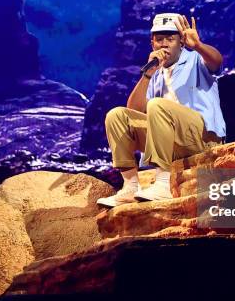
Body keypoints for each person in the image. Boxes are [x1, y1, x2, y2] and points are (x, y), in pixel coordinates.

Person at [97, 13, 226, 208]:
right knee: (117, 115)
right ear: (152, 43)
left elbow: (217, 61)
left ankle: (163, 183)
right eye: (159, 39)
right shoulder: (156, 73)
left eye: (170, 39)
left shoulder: (194, 60)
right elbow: (134, 112)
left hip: (201, 138)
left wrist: (198, 45)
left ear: (181, 41)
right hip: (173, 143)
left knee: (157, 105)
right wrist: (147, 75)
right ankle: (131, 186)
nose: (164, 44)